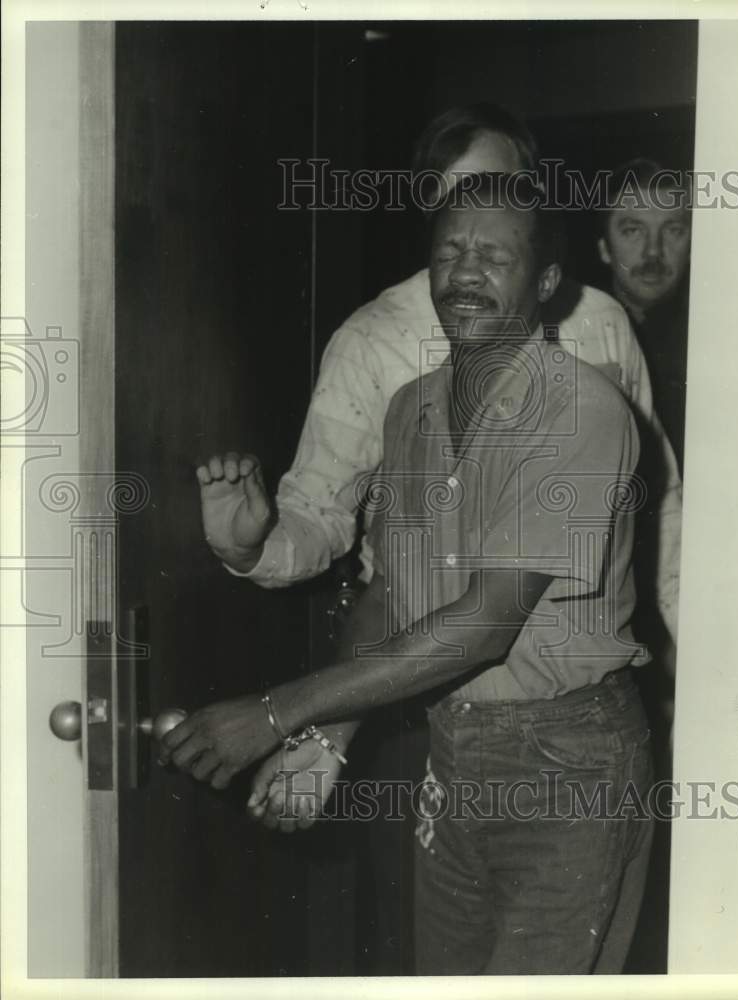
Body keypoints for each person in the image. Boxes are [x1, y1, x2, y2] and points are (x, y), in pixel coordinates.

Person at [161, 173, 655, 974]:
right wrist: (330, 737)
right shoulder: (412, 410)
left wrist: (277, 712)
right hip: (454, 752)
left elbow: (489, 621)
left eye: (495, 256)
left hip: (571, 770)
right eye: (450, 251)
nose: (465, 272)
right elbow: (395, 592)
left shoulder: (579, 409)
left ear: (548, 285)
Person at [201, 106, 681, 644]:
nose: (476, 218)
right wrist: (249, 550)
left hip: (571, 669)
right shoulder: (373, 338)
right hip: (412, 658)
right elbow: (319, 512)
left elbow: (662, 505)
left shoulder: (600, 322)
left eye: (495, 191)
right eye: (452, 203)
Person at [598, 159, 692, 474]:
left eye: (673, 230)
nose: (653, 252)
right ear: (604, 247)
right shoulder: (573, 336)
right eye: (633, 230)